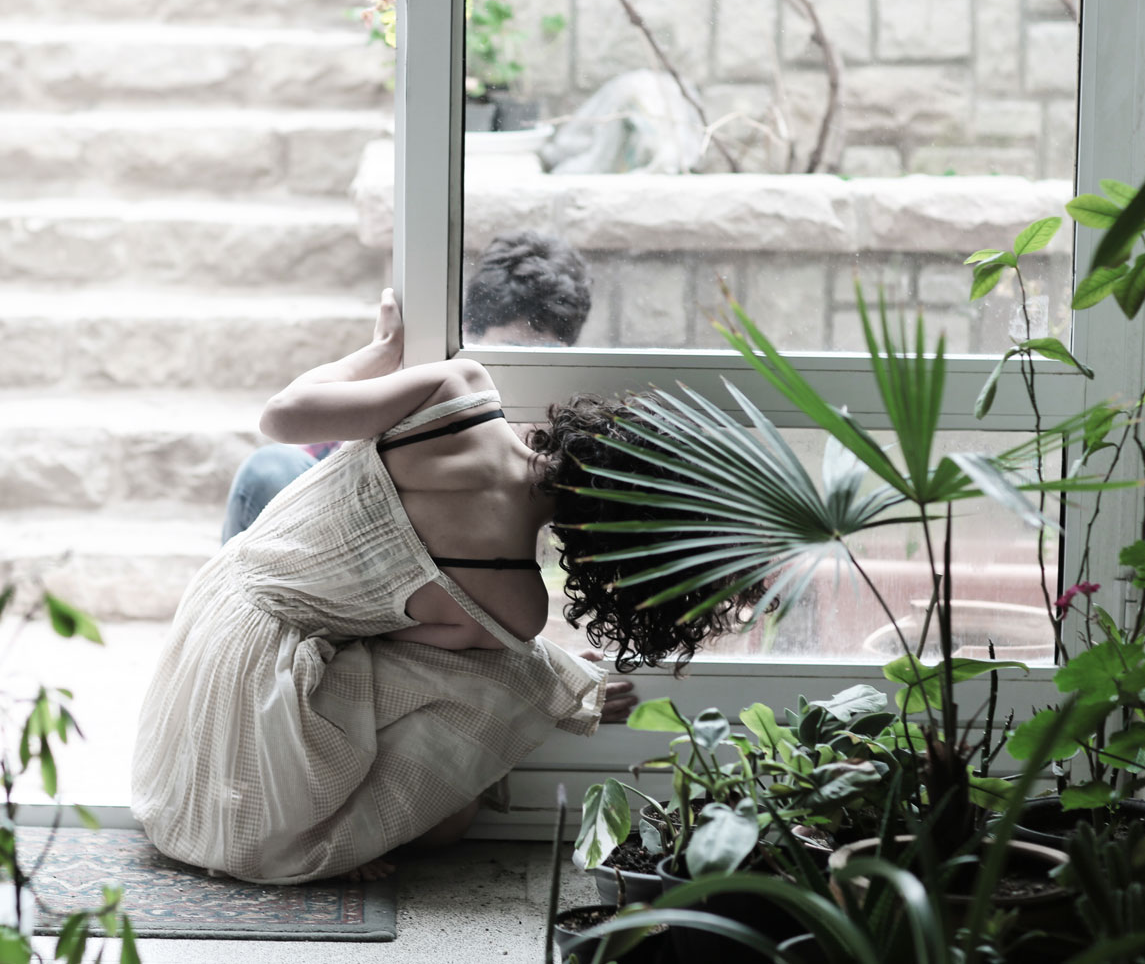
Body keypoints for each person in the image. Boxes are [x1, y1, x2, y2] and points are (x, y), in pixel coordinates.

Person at [131, 289, 755, 885]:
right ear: (619, 555)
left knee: (505, 661)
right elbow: (395, 649)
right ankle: (347, 817)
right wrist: (554, 671)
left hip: (210, 631)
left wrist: (378, 352)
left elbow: (281, 417)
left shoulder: (461, 393)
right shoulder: (515, 604)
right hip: (268, 714)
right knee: (508, 677)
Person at [221, 230, 592, 542]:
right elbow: (288, 422)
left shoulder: (559, 428)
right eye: (509, 351)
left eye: (545, 354)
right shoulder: (434, 382)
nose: (523, 368)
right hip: (351, 537)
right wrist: (381, 355)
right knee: (270, 470)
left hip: (436, 574)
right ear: (468, 334)